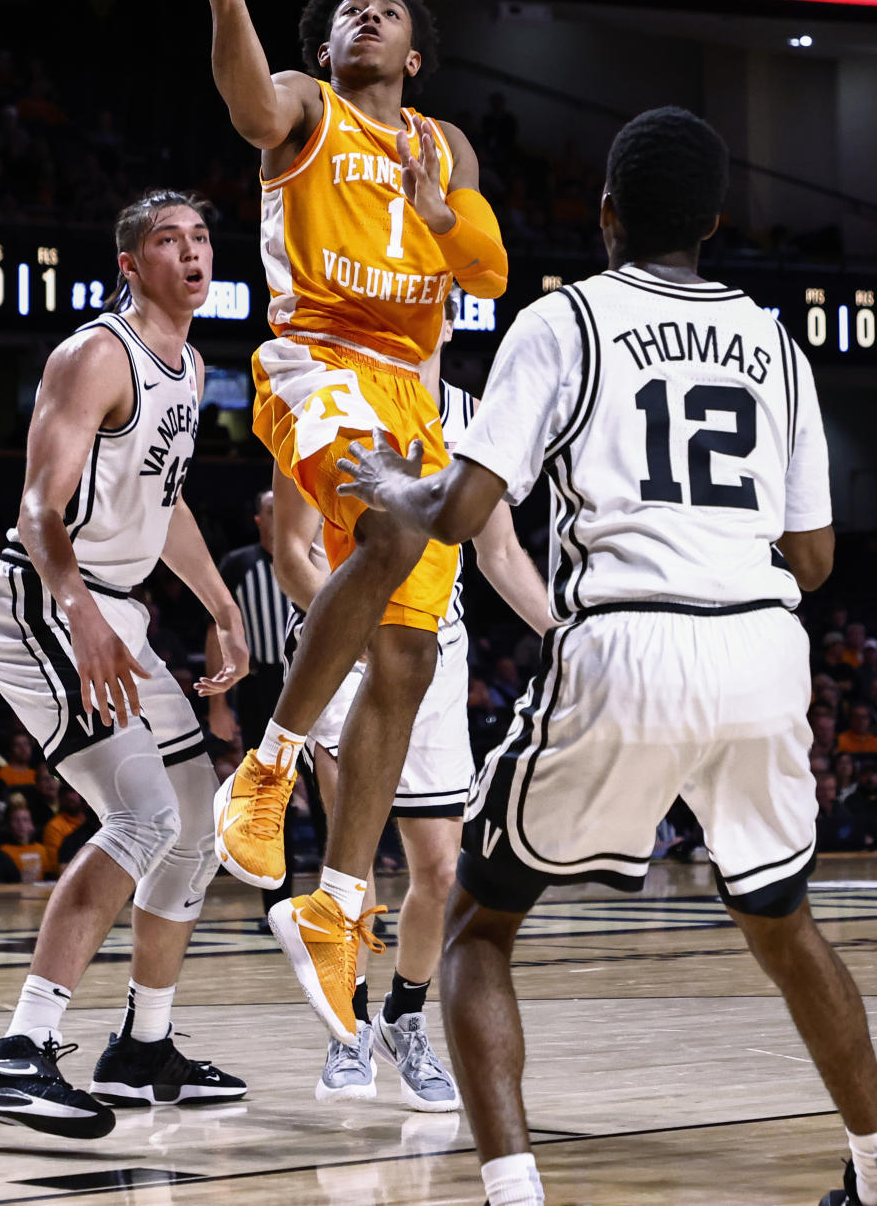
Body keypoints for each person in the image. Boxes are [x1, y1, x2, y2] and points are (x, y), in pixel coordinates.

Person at [337, 107, 877, 1206]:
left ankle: (515, 1194)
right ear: (717, 222)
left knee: (482, 923)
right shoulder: (778, 342)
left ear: (605, 217)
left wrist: (396, 486)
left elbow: (466, 507)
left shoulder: (568, 317)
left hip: (631, 636)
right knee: (783, 917)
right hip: (763, 646)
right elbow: (816, 557)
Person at [201, 0, 508, 1043]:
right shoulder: (303, 107)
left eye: (380, 12)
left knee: (408, 659)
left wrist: (444, 216)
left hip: (416, 398)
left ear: (414, 56)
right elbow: (245, 102)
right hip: (319, 363)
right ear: (325, 52)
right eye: (343, 13)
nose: (358, 18)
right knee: (388, 527)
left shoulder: (444, 149)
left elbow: (485, 270)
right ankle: (269, 767)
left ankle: (335, 900)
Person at [0, 189, 251, 1140]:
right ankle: (18, 1052)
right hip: (45, 598)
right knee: (144, 815)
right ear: (132, 264)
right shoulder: (97, 353)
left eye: (201, 238)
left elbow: (165, 507)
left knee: (197, 821)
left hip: (112, 610)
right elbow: (41, 506)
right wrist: (80, 611)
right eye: (169, 241)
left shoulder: (193, 362)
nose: (192, 253)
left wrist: (220, 605)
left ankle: (143, 1047)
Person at [272, 292, 553, 1106]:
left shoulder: (471, 417)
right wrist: (363, 627)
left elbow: (499, 552)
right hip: (347, 652)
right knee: (346, 863)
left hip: (437, 646)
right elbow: (292, 549)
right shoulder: (317, 392)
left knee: (439, 868)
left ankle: (403, 1016)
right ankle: (347, 1030)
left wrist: (560, 629)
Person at [204, 488, 292, 922]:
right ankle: (275, 904)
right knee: (268, 795)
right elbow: (215, 633)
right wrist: (218, 706)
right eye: (271, 510)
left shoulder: (315, 554)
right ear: (258, 519)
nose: (279, 516)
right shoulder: (239, 565)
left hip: (309, 681)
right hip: (260, 685)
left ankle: (347, 901)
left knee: (330, 790)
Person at [1, 802, 51, 883]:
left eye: (25, 820)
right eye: (16, 820)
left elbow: (48, 877)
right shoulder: (4, 850)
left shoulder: (41, 849)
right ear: (10, 824)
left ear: (32, 825)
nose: (21, 824)